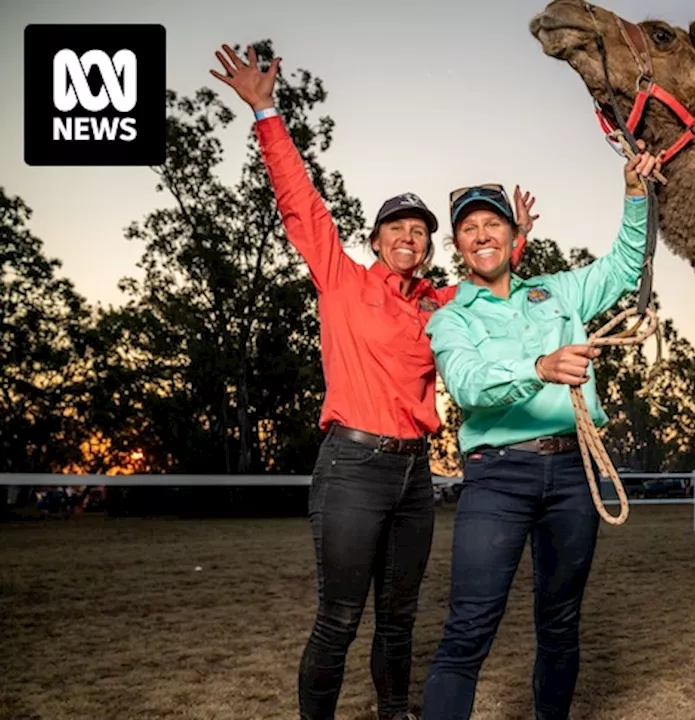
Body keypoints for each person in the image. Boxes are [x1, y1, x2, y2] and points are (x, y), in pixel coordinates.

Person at [207, 45, 538, 720]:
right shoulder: (342, 280)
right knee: (339, 618)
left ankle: (396, 714)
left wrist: (516, 239)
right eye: (397, 228)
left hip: (415, 474)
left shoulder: (440, 306)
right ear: (377, 238)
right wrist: (266, 111)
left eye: (419, 230)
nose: (409, 237)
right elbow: (298, 200)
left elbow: (489, 287)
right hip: (352, 467)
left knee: (399, 620)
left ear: (426, 246)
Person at [419, 147, 660, 720]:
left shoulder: (556, 292)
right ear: (458, 246)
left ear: (510, 234)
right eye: (469, 228)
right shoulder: (452, 317)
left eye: (492, 223)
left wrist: (633, 194)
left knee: (559, 623)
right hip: (497, 477)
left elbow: (626, 266)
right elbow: (469, 384)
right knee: (469, 628)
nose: (482, 234)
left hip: (575, 473)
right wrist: (538, 369)